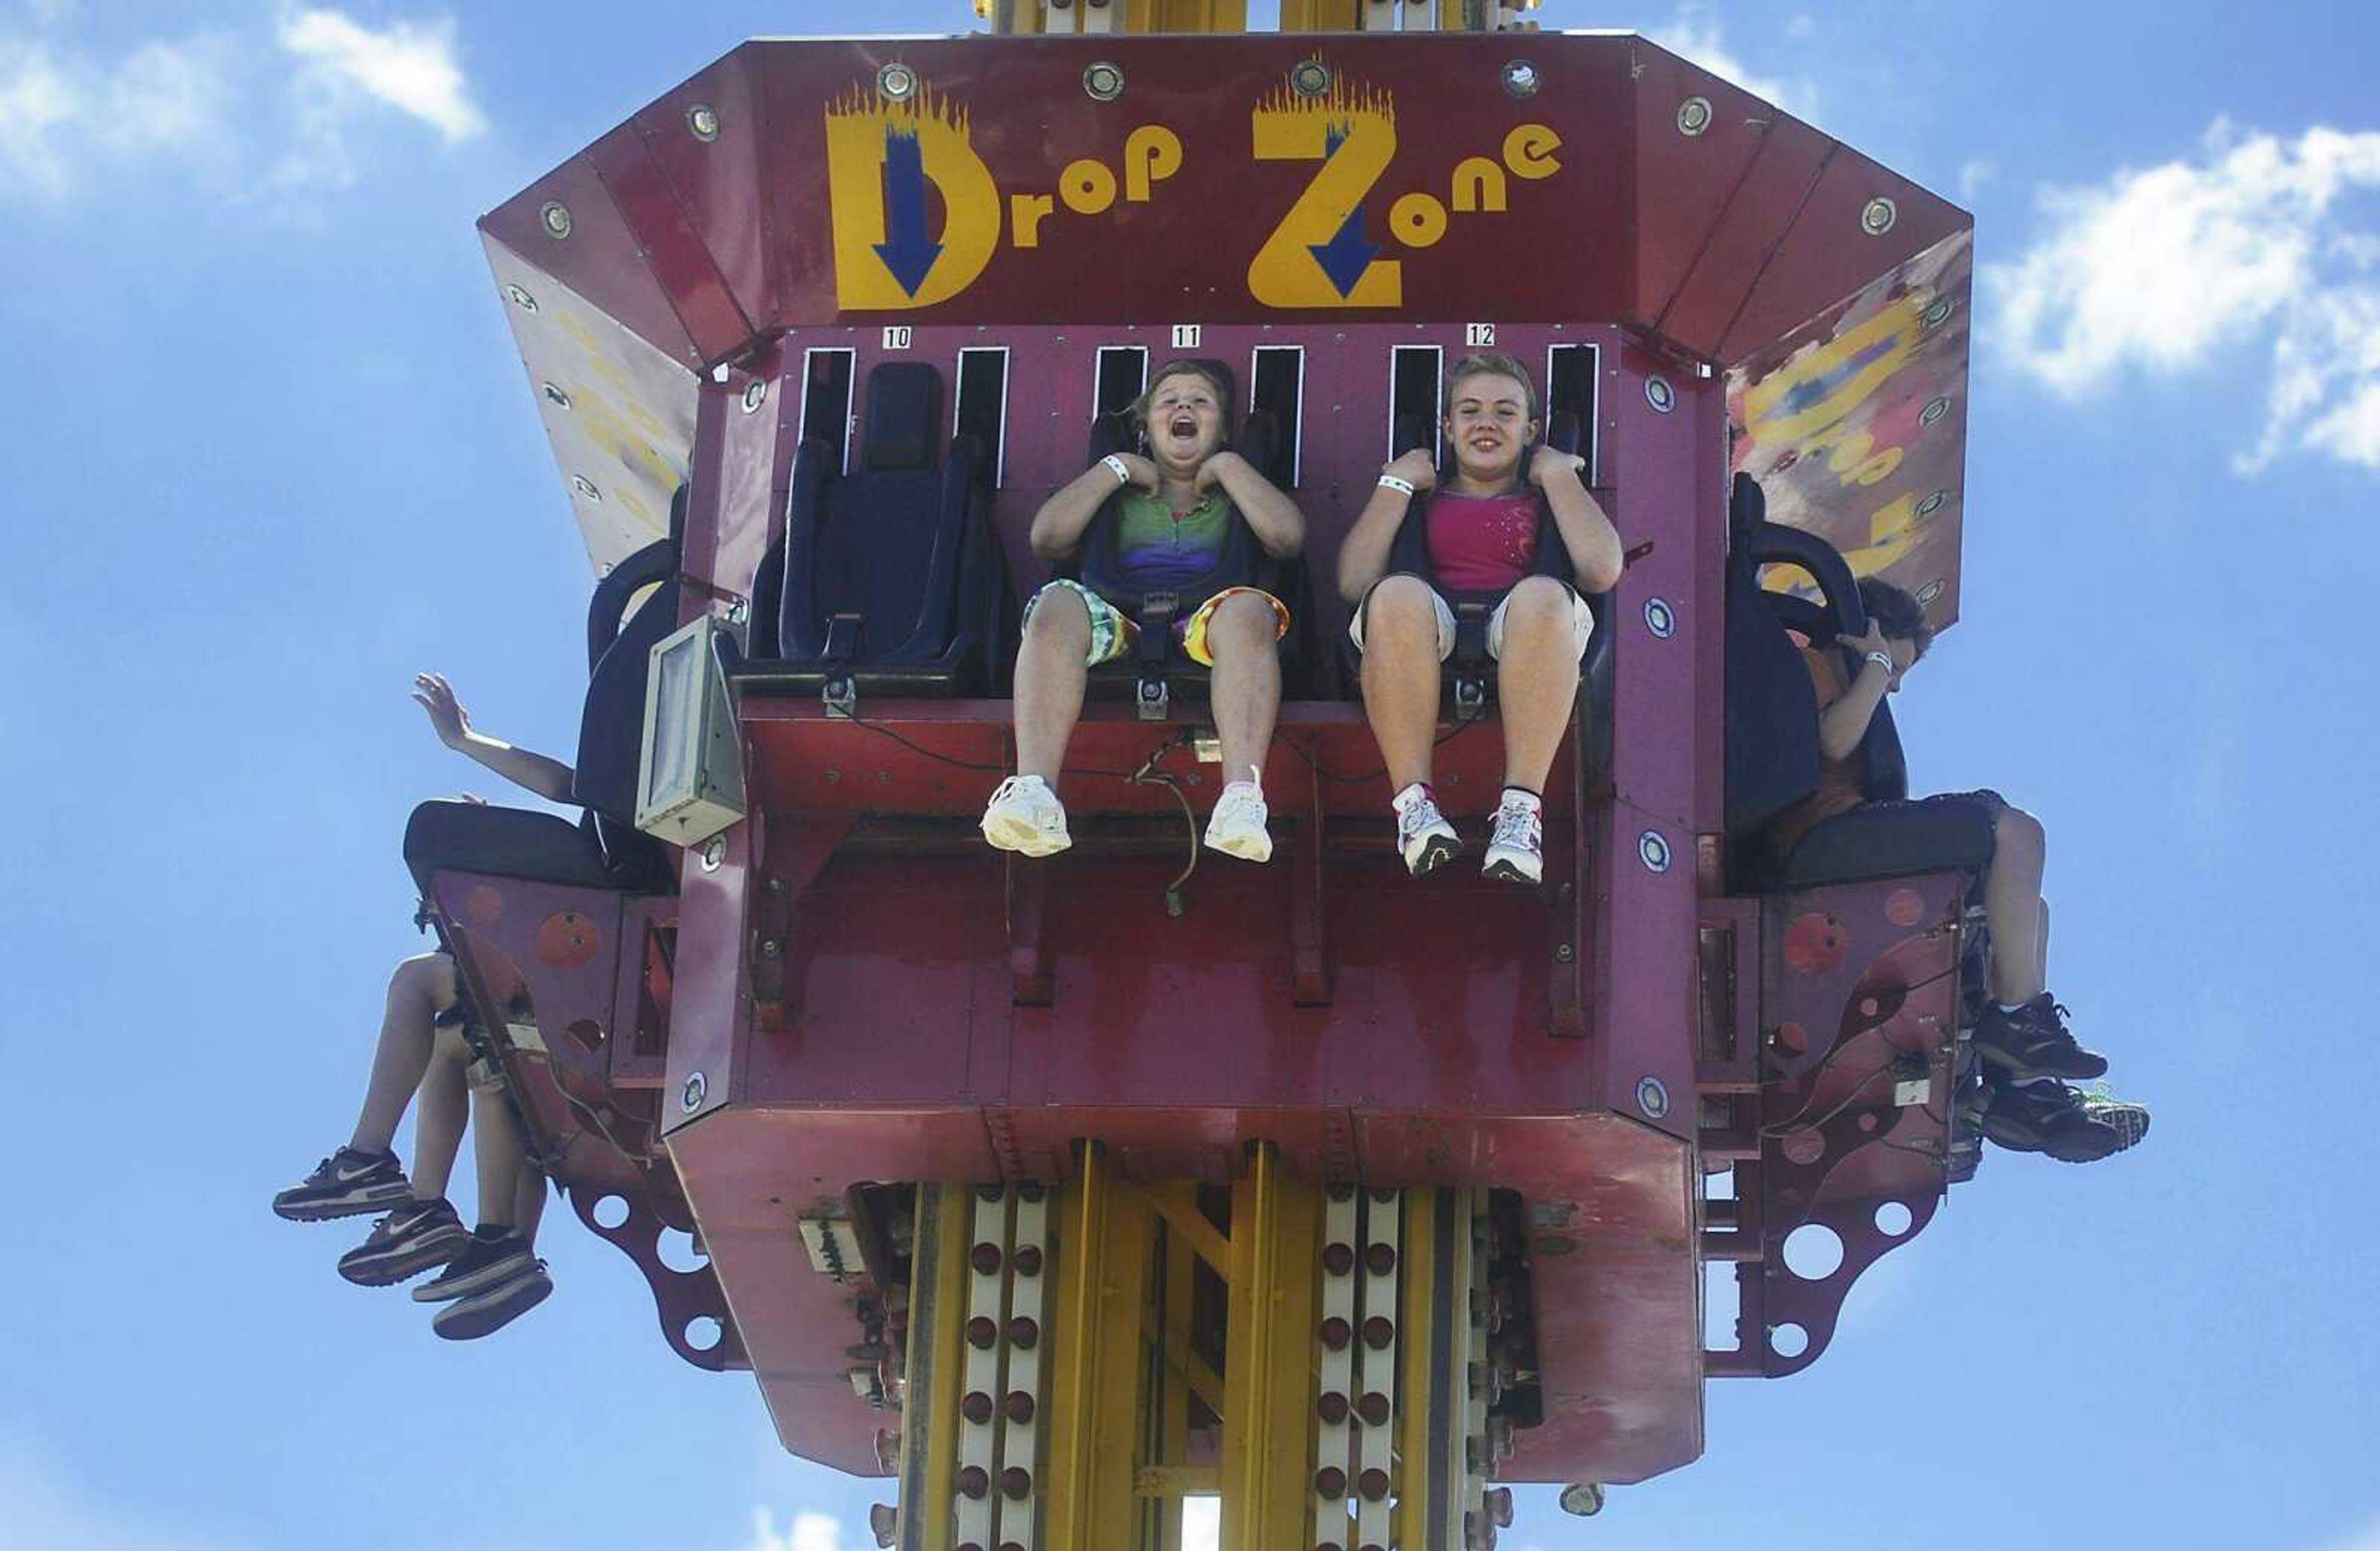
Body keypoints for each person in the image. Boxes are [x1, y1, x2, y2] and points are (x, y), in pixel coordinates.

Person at [1765, 578, 2149, 1164]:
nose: (1893, 682)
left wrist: (1873, 668)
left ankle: (2022, 1091)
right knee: (2017, 832)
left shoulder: (1855, 682)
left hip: (1842, 835)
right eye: (1896, 664)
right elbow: (1835, 742)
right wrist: (1870, 664)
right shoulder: (1812, 665)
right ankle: (2020, 1021)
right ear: (1863, 633)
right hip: (1815, 841)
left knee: (2028, 912)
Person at [271, 673, 562, 1339]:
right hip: (561, 986)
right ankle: (460, 1228)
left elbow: (565, 788)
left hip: (584, 965)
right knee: (466, 1049)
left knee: (415, 982)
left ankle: (372, 1162)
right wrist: (464, 743)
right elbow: (564, 786)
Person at [981, 359, 1306, 862]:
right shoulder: (1120, 488)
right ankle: (1035, 790)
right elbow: (1047, 538)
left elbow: (1287, 538)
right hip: (1118, 618)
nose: (1184, 408)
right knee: (1055, 603)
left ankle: (1241, 799)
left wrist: (1230, 468)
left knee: (1249, 611)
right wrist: (1116, 468)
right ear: (1146, 426)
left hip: (1207, 622)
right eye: (1168, 400)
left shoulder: (1234, 486)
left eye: (1201, 402)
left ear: (1220, 427)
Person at [1336, 353, 1624, 883]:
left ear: (1530, 430)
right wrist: (1395, 483)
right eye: (1469, 411)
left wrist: (1559, 476)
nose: (1486, 423)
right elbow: (1354, 582)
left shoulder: (1543, 495)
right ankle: (1415, 808)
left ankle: (1519, 814)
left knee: (1543, 595)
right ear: (1448, 427)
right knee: (1394, 593)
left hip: (1524, 625)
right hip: (1426, 620)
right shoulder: (1423, 496)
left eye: (1505, 412)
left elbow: (1603, 569)